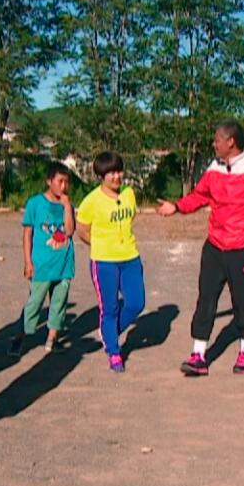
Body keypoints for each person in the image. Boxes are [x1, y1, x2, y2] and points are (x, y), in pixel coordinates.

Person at [158, 119, 244, 376]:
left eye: (217, 140)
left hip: (240, 248)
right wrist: (177, 207)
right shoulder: (214, 167)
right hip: (214, 246)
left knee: (243, 302)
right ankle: (199, 354)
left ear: (230, 142)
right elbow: (201, 195)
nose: (214, 144)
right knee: (206, 299)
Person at [78, 152, 146, 373]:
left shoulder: (129, 194)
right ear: (101, 176)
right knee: (110, 307)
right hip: (104, 262)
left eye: (119, 171)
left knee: (136, 303)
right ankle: (114, 351)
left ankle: (109, 332)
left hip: (130, 257)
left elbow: (130, 218)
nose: (116, 177)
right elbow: (83, 231)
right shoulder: (91, 201)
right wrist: (102, 246)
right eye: (111, 173)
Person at [10, 162, 76, 357]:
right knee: (34, 303)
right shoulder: (35, 203)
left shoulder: (68, 205)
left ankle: (52, 338)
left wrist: (66, 207)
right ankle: (19, 337)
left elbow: (70, 231)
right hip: (42, 264)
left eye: (67, 182)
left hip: (64, 263)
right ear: (49, 181)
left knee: (59, 303)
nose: (63, 186)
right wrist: (28, 262)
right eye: (60, 181)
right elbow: (27, 233)